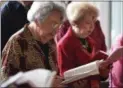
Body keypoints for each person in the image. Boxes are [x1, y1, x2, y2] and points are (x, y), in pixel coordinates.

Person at [1, 2, 65, 84]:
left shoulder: (51, 40)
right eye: (53, 24)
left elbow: (54, 73)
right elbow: (7, 83)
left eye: (59, 26)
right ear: (37, 20)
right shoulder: (17, 42)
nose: (56, 32)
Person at [57, 2, 110, 88]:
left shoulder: (91, 41)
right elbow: (64, 74)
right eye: (88, 23)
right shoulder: (64, 44)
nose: (92, 26)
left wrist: (103, 73)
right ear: (74, 23)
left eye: (94, 22)